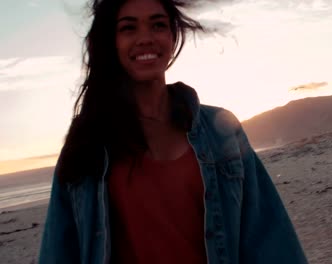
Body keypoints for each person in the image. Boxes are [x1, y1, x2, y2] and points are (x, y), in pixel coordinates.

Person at [39, 0, 307, 263]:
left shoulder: (220, 132)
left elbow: (268, 236)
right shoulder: (87, 143)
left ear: (172, 35)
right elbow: (58, 251)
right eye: (128, 28)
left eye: (158, 25)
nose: (146, 38)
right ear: (111, 42)